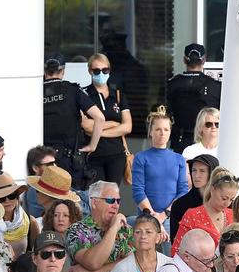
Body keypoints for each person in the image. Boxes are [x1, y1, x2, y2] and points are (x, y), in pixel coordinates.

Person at [42, 54, 104, 188]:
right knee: (73, 203)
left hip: (44, 160)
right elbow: (100, 118)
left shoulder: (35, 91)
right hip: (70, 161)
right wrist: (92, 146)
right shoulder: (73, 90)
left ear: (44, 71)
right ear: (63, 71)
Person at [131, 106, 189, 238]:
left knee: (171, 257)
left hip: (170, 217)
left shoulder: (179, 159)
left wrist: (164, 215)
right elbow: (138, 191)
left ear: (170, 132)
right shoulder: (141, 158)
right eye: (158, 129)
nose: (162, 133)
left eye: (166, 129)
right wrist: (153, 217)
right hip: (145, 217)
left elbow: (182, 191)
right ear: (150, 132)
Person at [81, 53, 132, 186]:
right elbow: (86, 125)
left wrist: (97, 131)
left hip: (116, 154)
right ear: (89, 71)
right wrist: (115, 124)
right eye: (96, 70)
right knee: (97, 196)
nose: (101, 74)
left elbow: (127, 127)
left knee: (113, 196)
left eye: (105, 70)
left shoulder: (118, 95)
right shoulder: (83, 94)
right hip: (94, 156)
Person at [165, 43, 222, 151]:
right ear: (204, 60)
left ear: (184, 60)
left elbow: (165, 113)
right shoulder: (215, 86)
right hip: (207, 140)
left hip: (180, 140)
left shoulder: (172, 84)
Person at [171, 167, 239, 256]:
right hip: (198, 267)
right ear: (212, 190)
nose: (227, 203)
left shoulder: (232, 215)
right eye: (224, 198)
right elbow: (177, 250)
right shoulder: (192, 215)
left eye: (231, 199)